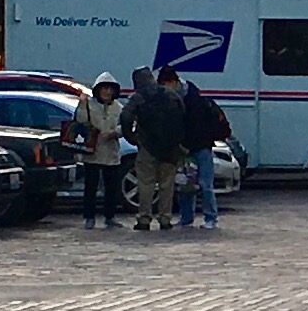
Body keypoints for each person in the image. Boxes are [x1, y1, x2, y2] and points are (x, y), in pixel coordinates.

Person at [120, 65, 186, 232]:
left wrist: (132, 138)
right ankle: (165, 218)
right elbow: (183, 118)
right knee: (167, 185)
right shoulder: (171, 95)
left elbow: (125, 117)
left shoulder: (138, 97)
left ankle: (144, 218)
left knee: (146, 184)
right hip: (170, 148)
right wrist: (178, 142)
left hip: (147, 147)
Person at [177, 76, 232, 230]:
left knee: (187, 184)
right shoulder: (200, 102)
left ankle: (188, 218)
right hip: (203, 149)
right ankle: (209, 218)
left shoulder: (187, 105)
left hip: (191, 150)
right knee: (204, 185)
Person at [74, 72, 124, 230]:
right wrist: (81, 105)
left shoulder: (119, 108)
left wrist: (115, 132)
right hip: (93, 153)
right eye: (104, 89)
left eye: (110, 89)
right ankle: (89, 217)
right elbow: (80, 122)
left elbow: (127, 126)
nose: (107, 92)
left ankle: (110, 216)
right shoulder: (88, 105)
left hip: (111, 152)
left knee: (111, 187)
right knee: (91, 187)